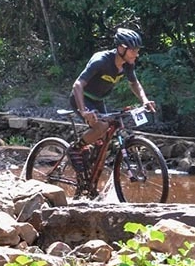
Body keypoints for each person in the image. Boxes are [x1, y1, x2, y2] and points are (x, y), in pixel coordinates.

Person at [67, 27, 156, 179]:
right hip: (82, 99)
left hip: (98, 101)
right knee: (101, 126)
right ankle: (75, 149)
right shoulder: (101, 60)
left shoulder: (127, 64)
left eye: (137, 50)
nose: (137, 54)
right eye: (133, 50)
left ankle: (89, 167)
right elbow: (77, 85)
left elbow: (134, 83)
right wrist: (83, 112)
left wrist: (145, 100)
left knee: (106, 135)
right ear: (121, 48)